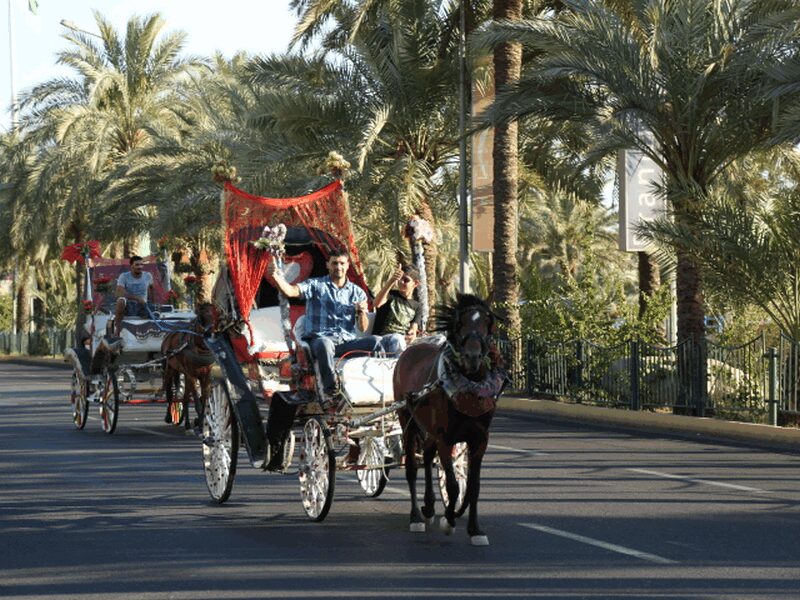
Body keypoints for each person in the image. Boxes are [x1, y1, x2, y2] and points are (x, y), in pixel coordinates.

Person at [267, 248, 382, 404]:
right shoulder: (316, 285)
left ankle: (380, 386)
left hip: (346, 343)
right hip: (320, 341)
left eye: (342, 263)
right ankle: (331, 390)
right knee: (325, 344)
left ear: (348, 265)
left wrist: (362, 312)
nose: (338, 267)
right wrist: (276, 277)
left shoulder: (357, 292)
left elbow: (362, 328)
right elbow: (292, 291)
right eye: (334, 263)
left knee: (376, 341)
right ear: (328, 265)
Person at [373, 264, 422, 355]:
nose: (401, 282)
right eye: (400, 279)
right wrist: (391, 281)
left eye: (406, 280)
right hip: (383, 340)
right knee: (396, 339)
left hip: (402, 342)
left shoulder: (417, 306)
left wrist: (412, 334)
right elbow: (377, 304)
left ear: (415, 283)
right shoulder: (390, 295)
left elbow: (413, 328)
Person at [114, 256, 154, 335]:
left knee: (155, 312)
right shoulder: (124, 276)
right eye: (137, 265)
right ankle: (117, 329)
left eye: (141, 265)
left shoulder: (148, 276)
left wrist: (151, 303)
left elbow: (151, 291)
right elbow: (119, 293)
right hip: (128, 305)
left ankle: (148, 333)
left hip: (143, 305)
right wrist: (137, 298)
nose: (140, 267)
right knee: (121, 301)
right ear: (131, 266)